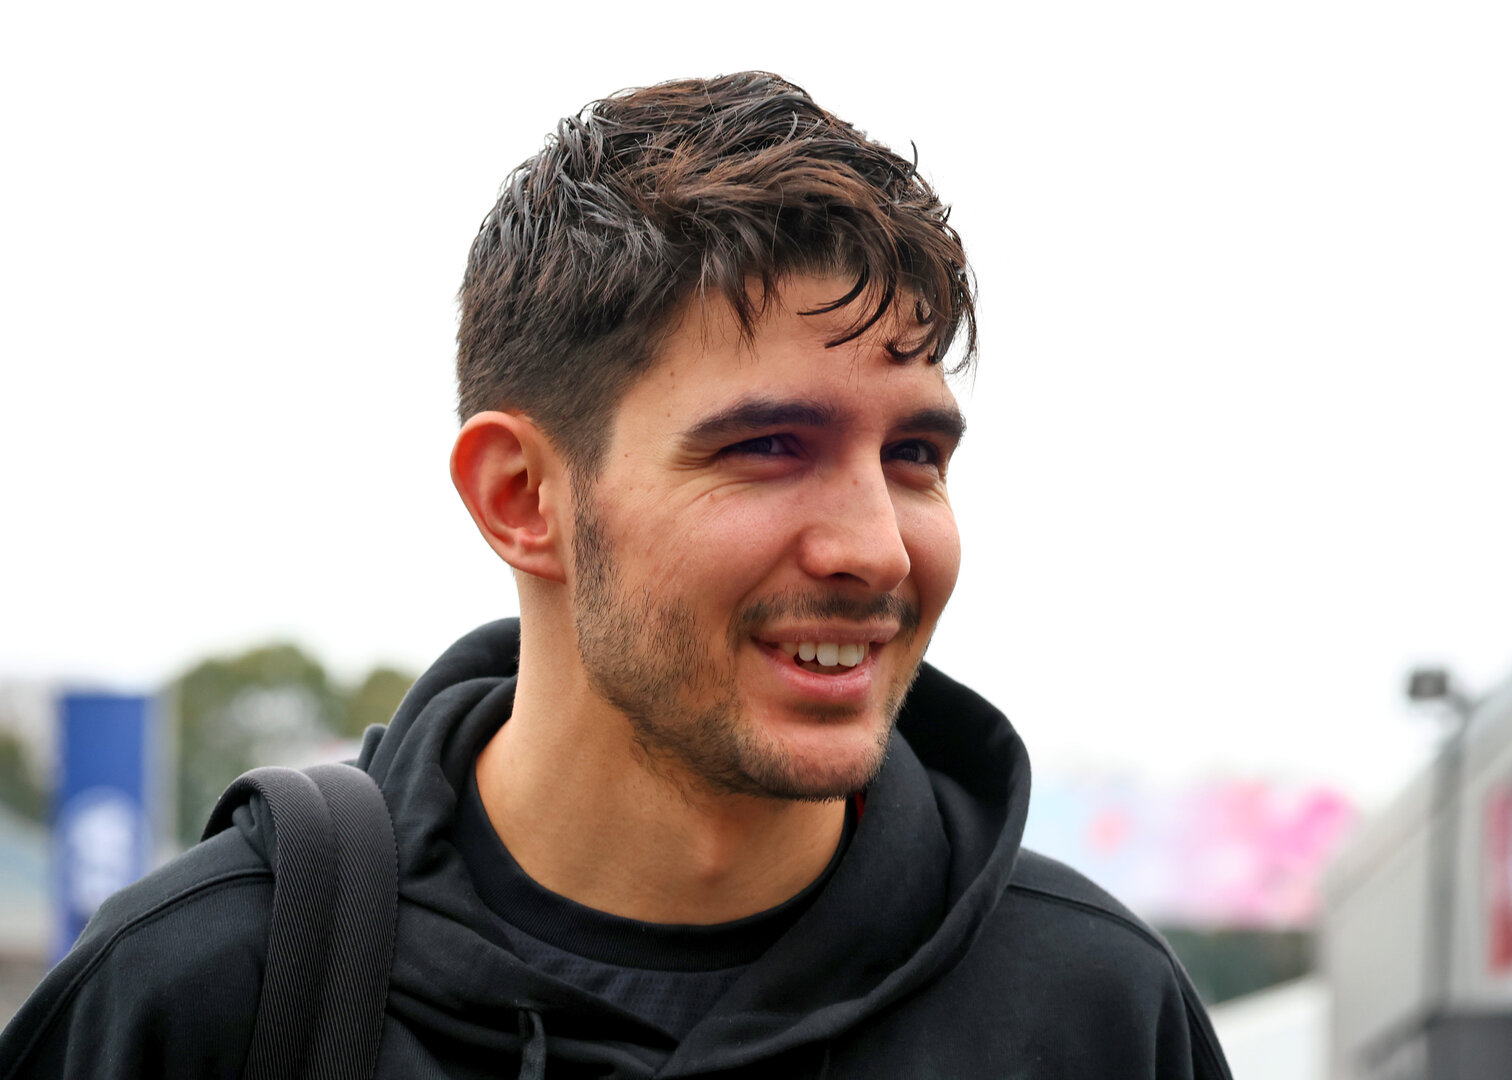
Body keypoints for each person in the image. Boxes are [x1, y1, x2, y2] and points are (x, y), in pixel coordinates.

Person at [0, 73, 1231, 1079]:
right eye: (767, 448)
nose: (876, 546)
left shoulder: (1096, 1017)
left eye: (913, 455)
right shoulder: (203, 996)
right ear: (522, 499)